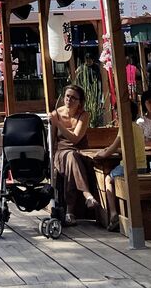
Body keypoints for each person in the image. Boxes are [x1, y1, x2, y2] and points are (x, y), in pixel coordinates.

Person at [49, 84, 99, 225]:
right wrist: (50, 160)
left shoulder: (84, 115)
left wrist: (58, 124)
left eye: (73, 98)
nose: (69, 100)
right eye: (67, 96)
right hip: (61, 154)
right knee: (70, 157)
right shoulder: (56, 114)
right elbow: (52, 141)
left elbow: (75, 138)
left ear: (80, 101)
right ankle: (86, 194)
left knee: (72, 158)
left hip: (80, 152)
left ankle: (70, 211)